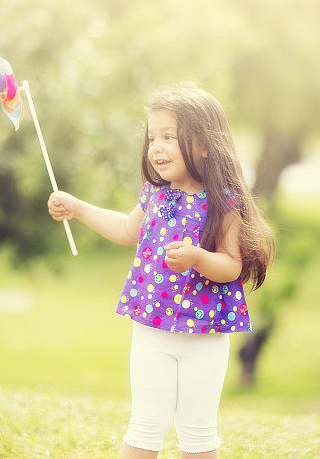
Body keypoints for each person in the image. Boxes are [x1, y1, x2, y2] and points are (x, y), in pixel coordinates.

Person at [47, 83, 275, 458]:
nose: (157, 147)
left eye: (170, 137)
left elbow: (231, 266)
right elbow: (125, 230)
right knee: (145, 424)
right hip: (152, 329)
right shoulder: (155, 193)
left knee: (198, 431)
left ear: (204, 144)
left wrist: (198, 258)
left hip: (205, 335)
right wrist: (77, 207)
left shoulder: (224, 202)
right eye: (153, 137)